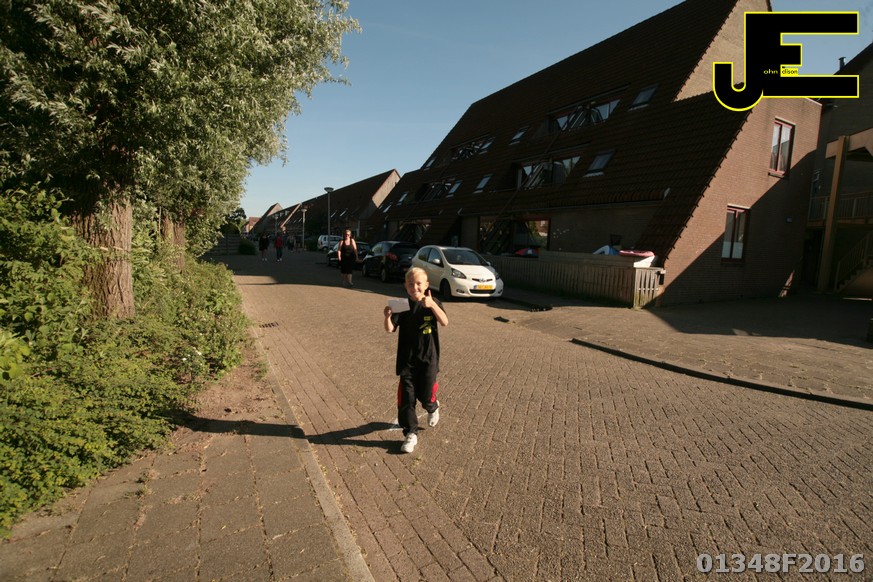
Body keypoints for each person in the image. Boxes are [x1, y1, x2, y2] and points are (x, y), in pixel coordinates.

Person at [383, 267, 449, 454]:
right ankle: (410, 433)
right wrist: (387, 317)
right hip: (407, 361)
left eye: (419, 284)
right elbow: (390, 329)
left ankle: (432, 406)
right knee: (407, 399)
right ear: (406, 286)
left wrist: (432, 305)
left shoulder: (433, 302)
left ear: (426, 285)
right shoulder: (401, 304)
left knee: (425, 395)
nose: (415, 287)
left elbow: (444, 322)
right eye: (411, 284)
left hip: (428, 359)